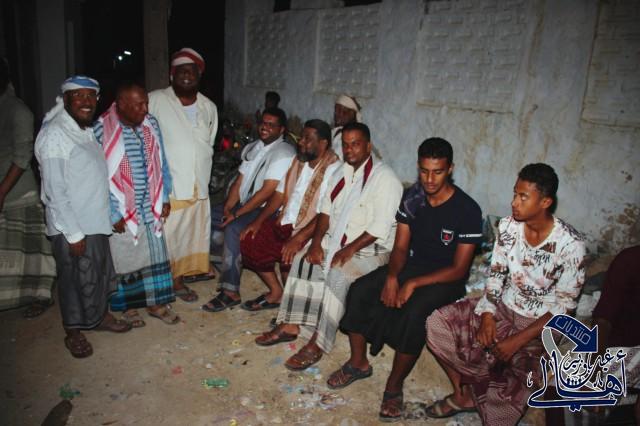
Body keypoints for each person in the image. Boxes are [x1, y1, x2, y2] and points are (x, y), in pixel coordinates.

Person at [328, 138, 483, 421]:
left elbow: (459, 269)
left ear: (450, 169)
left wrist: (411, 284)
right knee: (361, 289)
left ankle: (394, 386)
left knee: (415, 314)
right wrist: (392, 277)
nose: (430, 179)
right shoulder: (413, 197)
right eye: (424, 171)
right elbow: (400, 247)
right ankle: (358, 362)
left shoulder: (467, 210)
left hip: (445, 278)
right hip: (412, 266)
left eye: (437, 172)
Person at [426, 163, 586, 424]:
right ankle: (468, 392)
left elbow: (564, 310)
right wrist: (488, 315)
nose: (514, 202)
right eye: (515, 194)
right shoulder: (508, 227)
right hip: (503, 307)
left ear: (545, 202)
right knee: (437, 324)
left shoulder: (571, 245)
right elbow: (497, 275)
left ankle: (488, 386)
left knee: (502, 414)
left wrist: (516, 341)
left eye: (523, 197)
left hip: (540, 326)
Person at [254, 122, 403, 371]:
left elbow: (379, 228)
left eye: (355, 144)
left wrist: (347, 251)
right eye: (345, 145)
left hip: (372, 249)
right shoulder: (341, 172)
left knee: (338, 274)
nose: (350, 149)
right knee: (302, 258)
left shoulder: (385, 179)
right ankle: (292, 325)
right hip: (338, 239)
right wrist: (315, 244)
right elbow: (325, 211)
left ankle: (319, 342)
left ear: (368, 146)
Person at [35, 76, 131, 359]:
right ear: (66, 99)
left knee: (96, 274)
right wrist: (73, 234)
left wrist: (109, 214)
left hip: (93, 220)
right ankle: (73, 332)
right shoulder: (55, 134)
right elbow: (54, 190)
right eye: (79, 96)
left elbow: (93, 177)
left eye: (91, 96)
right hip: (72, 226)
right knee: (74, 280)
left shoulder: (83, 130)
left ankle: (99, 318)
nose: (86, 102)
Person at [94, 83, 178, 327]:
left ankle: (155, 304)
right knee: (126, 259)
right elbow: (98, 176)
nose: (145, 109)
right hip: (121, 208)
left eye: (146, 103)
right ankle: (129, 307)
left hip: (150, 203)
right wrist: (112, 213)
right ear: (121, 104)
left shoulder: (150, 123)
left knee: (155, 255)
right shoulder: (101, 129)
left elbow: (162, 160)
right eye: (138, 104)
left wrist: (164, 197)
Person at [239, 119, 341, 311]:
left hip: (310, 230)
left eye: (307, 139)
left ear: (323, 143)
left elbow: (326, 212)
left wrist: (298, 238)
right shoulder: (299, 160)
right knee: (250, 240)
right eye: (302, 137)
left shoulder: (334, 169)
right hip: (285, 221)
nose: (301, 142)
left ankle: (291, 307)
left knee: (290, 257)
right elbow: (279, 194)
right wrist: (258, 221)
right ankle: (276, 292)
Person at [202, 107, 295, 312]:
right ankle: (219, 266)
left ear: (282, 130)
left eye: (271, 125)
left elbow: (266, 192)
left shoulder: (284, 153)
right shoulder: (255, 146)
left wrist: (236, 214)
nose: (265, 127)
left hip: (265, 209)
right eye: (263, 123)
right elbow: (239, 181)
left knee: (233, 228)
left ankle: (230, 291)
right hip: (244, 204)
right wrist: (228, 207)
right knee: (207, 215)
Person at [148, 47, 218, 303]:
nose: (187, 76)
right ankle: (163, 285)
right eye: (181, 71)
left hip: (198, 184)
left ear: (199, 76)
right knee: (167, 237)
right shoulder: (155, 100)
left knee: (188, 237)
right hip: (169, 185)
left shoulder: (208, 106)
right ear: (172, 75)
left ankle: (178, 280)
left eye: (192, 72)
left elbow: (210, 141)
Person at [0, 57, 56, 317]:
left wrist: (2, 191)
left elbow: (22, 156)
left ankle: (40, 296)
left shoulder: (17, 110)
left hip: (18, 191)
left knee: (33, 253)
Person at [331, 95, 361, 161]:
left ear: (352, 114)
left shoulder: (354, 137)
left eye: (343, 112)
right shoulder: (333, 131)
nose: (337, 115)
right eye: (336, 111)